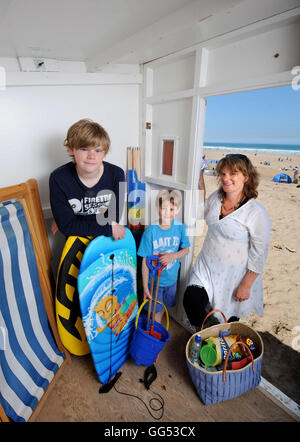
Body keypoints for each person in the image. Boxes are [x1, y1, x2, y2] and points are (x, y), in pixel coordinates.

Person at [183, 154, 271, 330]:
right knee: (191, 300)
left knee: (226, 321)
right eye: (222, 174)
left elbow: (259, 253)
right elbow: (200, 211)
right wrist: (200, 173)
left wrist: (246, 285)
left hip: (234, 276)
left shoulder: (256, 213)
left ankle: (215, 349)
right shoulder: (216, 198)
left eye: (233, 174)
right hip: (206, 266)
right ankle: (209, 341)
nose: (226, 178)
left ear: (246, 177)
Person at [49, 119, 126, 240]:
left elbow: (112, 219)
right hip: (76, 239)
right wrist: (108, 227)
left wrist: (72, 224)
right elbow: (67, 226)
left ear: (104, 153)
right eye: (84, 149)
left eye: (98, 150)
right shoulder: (58, 178)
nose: (91, 156)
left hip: (104, 239)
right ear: (71, 149)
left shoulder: (117, 175)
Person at [138, 189, 190, 324]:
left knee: (162, 308)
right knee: (154, 310)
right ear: (158, 208)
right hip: (154, 282)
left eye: (171, 209)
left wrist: (172, 256)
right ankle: (153, 334)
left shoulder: (180, 228)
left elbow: (186, 250)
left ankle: (156, 324)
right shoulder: (150, 232)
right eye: (164, 208)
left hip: (171, 280)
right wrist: (145, 287)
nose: (167, 213)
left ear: (177, 210)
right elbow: (145, 261)